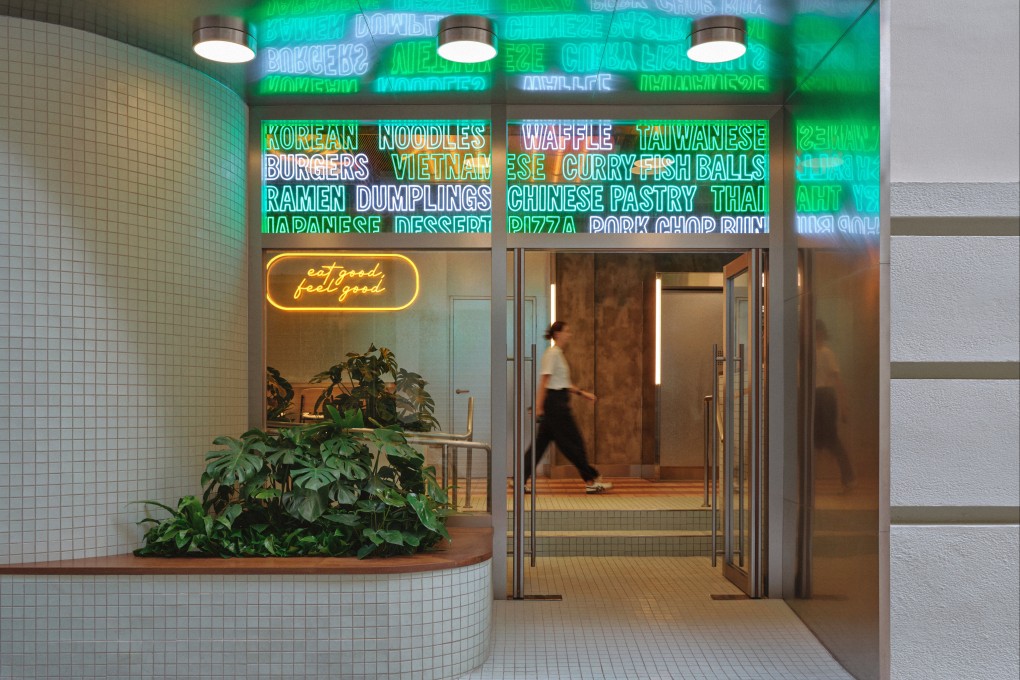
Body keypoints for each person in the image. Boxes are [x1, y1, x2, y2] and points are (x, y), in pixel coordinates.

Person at [523, 321, 613, 494]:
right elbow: (544, 381)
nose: (569, 334)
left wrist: (582, 393)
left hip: (557, 402)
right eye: (567, 331)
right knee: (573, 443)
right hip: (555, 405)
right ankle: (590, 479)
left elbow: (563, 383)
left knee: (540, 446)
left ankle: (519, 480)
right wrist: (538, 406)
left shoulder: (558, 354)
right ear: (557, 334)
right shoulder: (552, 354)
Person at [814, 321, 856, 491]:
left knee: (830, 439)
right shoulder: (808, 353)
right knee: (817, 439)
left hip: (824, 396)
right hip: (815, 396)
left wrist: (844, 405)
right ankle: (848, 477)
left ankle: (849, 477)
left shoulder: (826, 353)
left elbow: (836, 379)